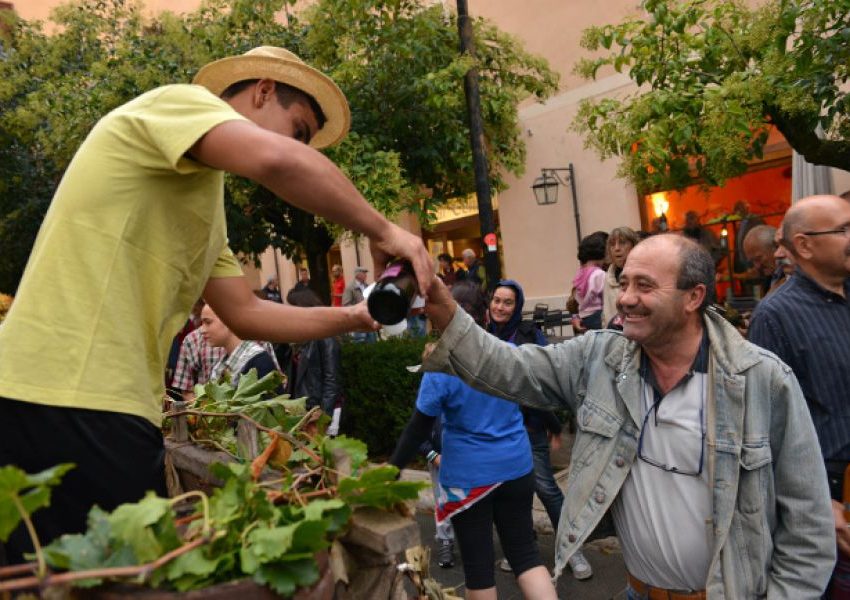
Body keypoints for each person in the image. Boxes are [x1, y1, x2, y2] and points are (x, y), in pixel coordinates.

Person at [0, 45, 433, 562]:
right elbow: (277, 159)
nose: (300, 149)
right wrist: (384, 229)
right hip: (75, 397)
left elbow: (245, 314)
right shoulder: (178, 103)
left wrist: (353, 316)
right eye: (298, 130)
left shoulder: (203, 200)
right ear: (262, 91)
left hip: (83, 402)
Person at [422, 234, 835, 598]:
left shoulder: (762, 381)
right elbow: (508, 368)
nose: (625, 298)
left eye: (645, 285)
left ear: (693, 296)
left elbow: (808, 528)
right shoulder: (599, 358)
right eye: (624, 282)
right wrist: (444, 310)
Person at [390, 281, 558, 600]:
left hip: (470, 480)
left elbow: (417, 429)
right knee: (526, 557)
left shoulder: (441, 368)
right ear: (483, 314)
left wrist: (391, 472)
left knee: (479, 571)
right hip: (517, 468)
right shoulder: (507, 352)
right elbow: (535, 397)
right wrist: (553, 426)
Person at [748, 194, 850, 597]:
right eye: (843, 229)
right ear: (804, 245)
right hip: (832, 503)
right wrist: (823, 504)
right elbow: (766, 427)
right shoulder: (775, 317)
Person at [487, 279, 593, 581]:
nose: (500, 307)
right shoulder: (483, 337)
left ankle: (572, 551)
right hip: (497, 432)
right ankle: (522, 550)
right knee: (510, 494)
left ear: (517, 306)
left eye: (508, 302)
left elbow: (543, 383)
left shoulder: (529, 335)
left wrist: (552, 424)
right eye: (496, 300)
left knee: (545, 488)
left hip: (529, 428)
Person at [285, 288, 344, 435]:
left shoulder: (326, 336)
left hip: (318, 411)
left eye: (293, 307)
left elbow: (332, 380)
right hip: (303, 410)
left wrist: (323, 415)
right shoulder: (299, 337)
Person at [201, 304, 282, 390]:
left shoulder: (259, 362)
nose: (202, 330)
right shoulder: (223, 363)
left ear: (228, 320)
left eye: (208, 322)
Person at [602, 226, 640, 329]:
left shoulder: (642, 273)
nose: (617, 248)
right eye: (612, 244)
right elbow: (606, 311)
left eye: (622, 243)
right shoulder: (608, 276)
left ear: (634, 246)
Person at [569, 231, 607, 333]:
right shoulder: (600, 274)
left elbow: (576, 296)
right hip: (598, 316)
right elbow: (606, 296)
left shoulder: (580, 273)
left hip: (585, 316)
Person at [742, 224, 786, 298]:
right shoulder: (770, 276)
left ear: (776, 247)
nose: (757, 266)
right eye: (752, 261)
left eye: (758, 258)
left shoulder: (790, 273)